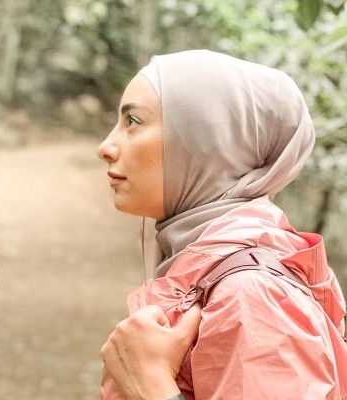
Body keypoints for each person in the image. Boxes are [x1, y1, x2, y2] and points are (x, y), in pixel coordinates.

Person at [97, 50, 347, 399]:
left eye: (133, 122)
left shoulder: (252, 294)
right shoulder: (211, 267)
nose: (106, 147)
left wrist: (151, 388)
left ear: (205, 141)